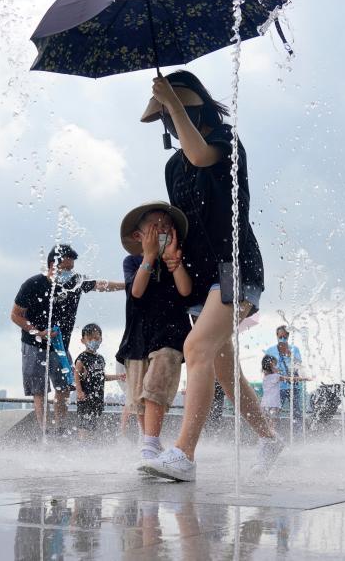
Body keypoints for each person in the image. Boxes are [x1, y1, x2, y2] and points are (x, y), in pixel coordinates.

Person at [138, 71, 282, 482]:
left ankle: (184, 455)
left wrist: (172, 99)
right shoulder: (171, 167)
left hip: (235, 265)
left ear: (192, 106)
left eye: (174, 112)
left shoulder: (225, 143)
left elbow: (200, 156)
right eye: (165, 116)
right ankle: (269, 438)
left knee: (195, 347)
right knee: (223, 369)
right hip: (201, 278)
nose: (169, 122)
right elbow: (182, 219)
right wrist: (169, 251)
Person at [10, 244, 124, 431]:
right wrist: (38, 332)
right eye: (65, 269)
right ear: (51, 266)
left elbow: (100, 285)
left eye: (71, 269)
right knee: (40, 391)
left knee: (63, 388)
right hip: (33, 344)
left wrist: (128, 286)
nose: (69, 273)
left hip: (60, 346)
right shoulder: (32, 284)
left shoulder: (74, 282)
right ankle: (44, 430)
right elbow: (15, 315)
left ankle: (59, 429)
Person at [115, 201, 192, 466]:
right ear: (138, 236)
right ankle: (150, 440)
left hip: (170, 333)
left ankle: (149, 444)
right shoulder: (132, 261)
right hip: (139, 335)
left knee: (155, 386)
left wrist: (174, 261)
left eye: (166, 227)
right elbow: (136, 291)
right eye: (154, 227)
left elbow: (185, 291)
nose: (161, 230)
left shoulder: (178, 258)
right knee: (139, 395)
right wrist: (148, 257)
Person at [74, 323, 125, 440]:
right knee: (84, 423)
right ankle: (82, 443)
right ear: (83, 340)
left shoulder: (100, 358)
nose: (93, 341)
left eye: (96, 338)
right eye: (90, 338)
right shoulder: (82, 358)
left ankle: (89, 443)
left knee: (92, 424)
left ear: (101, 339)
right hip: (85, 397)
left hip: (97, 398)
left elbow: (102, 377)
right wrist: (79, 391)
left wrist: (118, 376)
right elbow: (76, 375)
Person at [262, 325, 311, 435]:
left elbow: (299, 366)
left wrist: (290, 355)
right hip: (278, 388)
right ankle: (274, 434)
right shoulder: (270, 350)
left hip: (294, 387)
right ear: (277, 336)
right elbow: (266, 370)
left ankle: (299, 436)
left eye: (285, 337)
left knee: (297, 413)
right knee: (274, 412)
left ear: (288, 336)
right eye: (281, 337)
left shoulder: (294, 349)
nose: (283, 339)